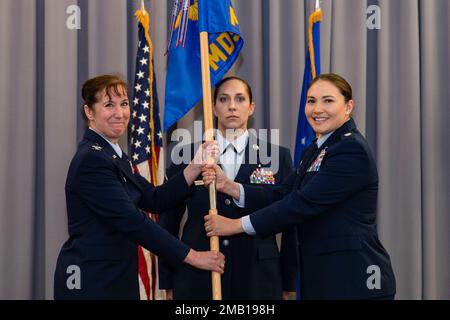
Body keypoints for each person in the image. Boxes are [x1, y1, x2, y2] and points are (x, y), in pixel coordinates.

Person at [203, 73, 396, 300]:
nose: (317, 109)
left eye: (328, 100)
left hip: (355, 281)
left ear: (348, 106)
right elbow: (283, 193)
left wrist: (234, 225)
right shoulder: (315, 149)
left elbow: (300, 204)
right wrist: (230, 186)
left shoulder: (351, 150)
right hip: (325, 279)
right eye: (311, 101)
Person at [54, 74, 224, 300]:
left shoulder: (114, 156)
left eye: (124, 104)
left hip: (115, 277)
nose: (120, 113)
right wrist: (192, 257)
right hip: (92, 281)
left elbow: (154, 199)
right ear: (89, 112)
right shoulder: (92, 160)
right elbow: (132, 220)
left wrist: (195, 166)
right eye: (108, 105)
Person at [158, 76, 298, 300]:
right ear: (213, 107)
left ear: (251, 107)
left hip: (258, 276)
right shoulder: (188, 155)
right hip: (198, 275)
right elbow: (168, 223)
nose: (232, 106)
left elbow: (290, 220)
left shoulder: (278, 157)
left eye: (240, 99)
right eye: (224, 99)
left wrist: (288, 281)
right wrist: (167, 280)